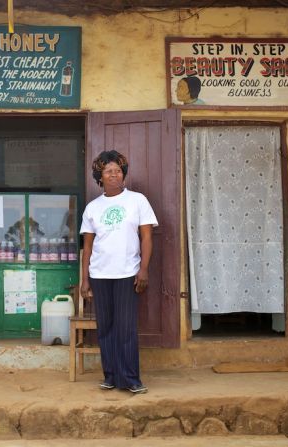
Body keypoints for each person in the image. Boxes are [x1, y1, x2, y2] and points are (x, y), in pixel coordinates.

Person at [79, 150, 158, 394]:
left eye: (118, 170)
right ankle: (111, 376)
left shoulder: (138, 200)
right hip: (100, 275)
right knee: (106, 328)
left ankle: (131, 379)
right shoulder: (93, 207)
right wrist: (84, 280)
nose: (114, 175)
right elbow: (88, 246)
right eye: (108, 171)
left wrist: (143, 270)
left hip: (127, 273)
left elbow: (146, 237)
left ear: (123, 174)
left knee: (125, 328)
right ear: (99, 177)